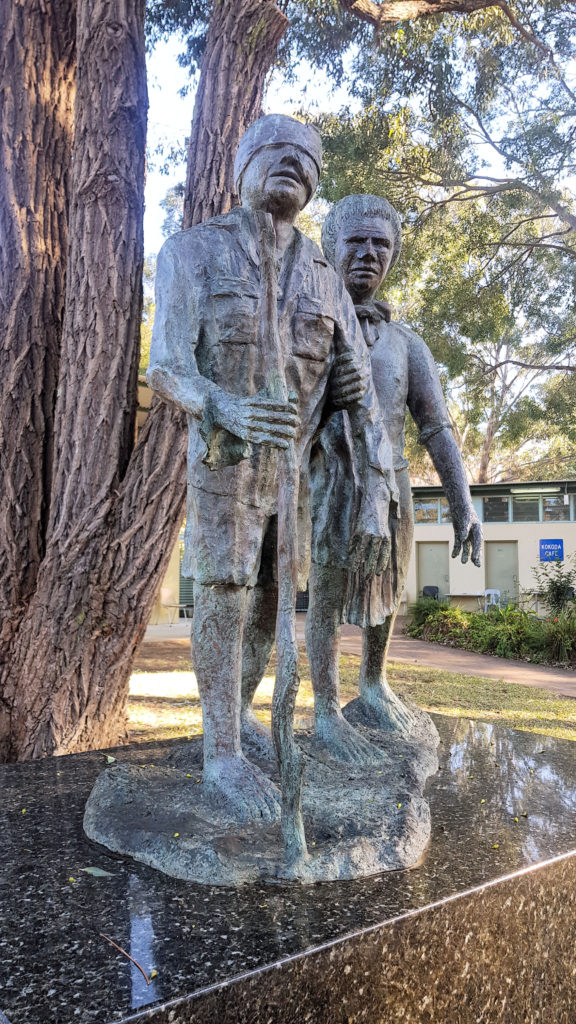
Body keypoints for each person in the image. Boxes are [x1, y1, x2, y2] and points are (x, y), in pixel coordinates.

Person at [148, 119, 396, 821]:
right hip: (227, 464)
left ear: (316, 182)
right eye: (274, 152)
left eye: (306, 159)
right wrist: (219, 404)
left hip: (295, 482)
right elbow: (165, 366)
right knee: (226, 592)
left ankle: (244, 718)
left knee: (268, 606)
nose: (291, 165)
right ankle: (221, 749)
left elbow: (360, 401)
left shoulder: (324, 277)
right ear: (242, 165)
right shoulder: (193, 251)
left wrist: (373, 500)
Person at [305, 194, 482, 763]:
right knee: (328, 595)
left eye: (381, 243)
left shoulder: (407, 345)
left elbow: (437, 428)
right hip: (335, 477)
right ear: (333, 248)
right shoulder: (310, 328)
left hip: (394, 487)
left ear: (394, 255)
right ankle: (327, 707)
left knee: (388, 588)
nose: (368, 254)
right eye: (356, 241)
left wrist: (464, 505)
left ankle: (374, 682)